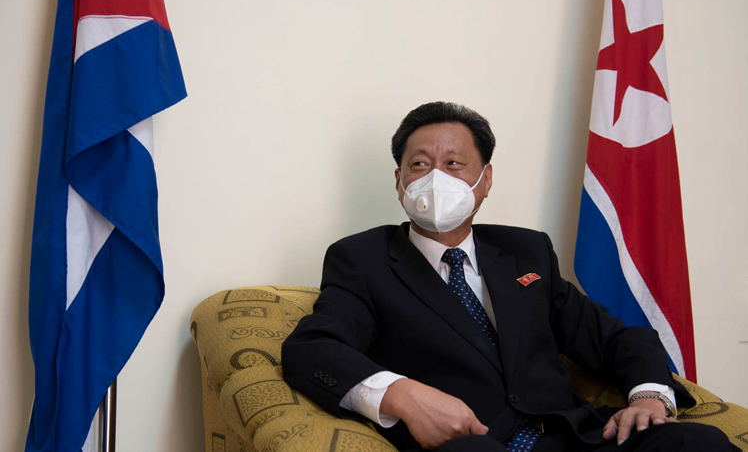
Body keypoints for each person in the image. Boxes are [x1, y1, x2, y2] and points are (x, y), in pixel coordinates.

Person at [281, 102, 737, 452]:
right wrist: (403, 395)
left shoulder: (525, 251)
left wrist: (649, 395)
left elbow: (616, 338)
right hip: (472, 444)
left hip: (574, 438)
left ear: (485, 179)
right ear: (399, 181)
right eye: (419, 164)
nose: (435, 178)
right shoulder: (362, 259)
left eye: (454, 163)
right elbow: (312, 348)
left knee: (697, 443)